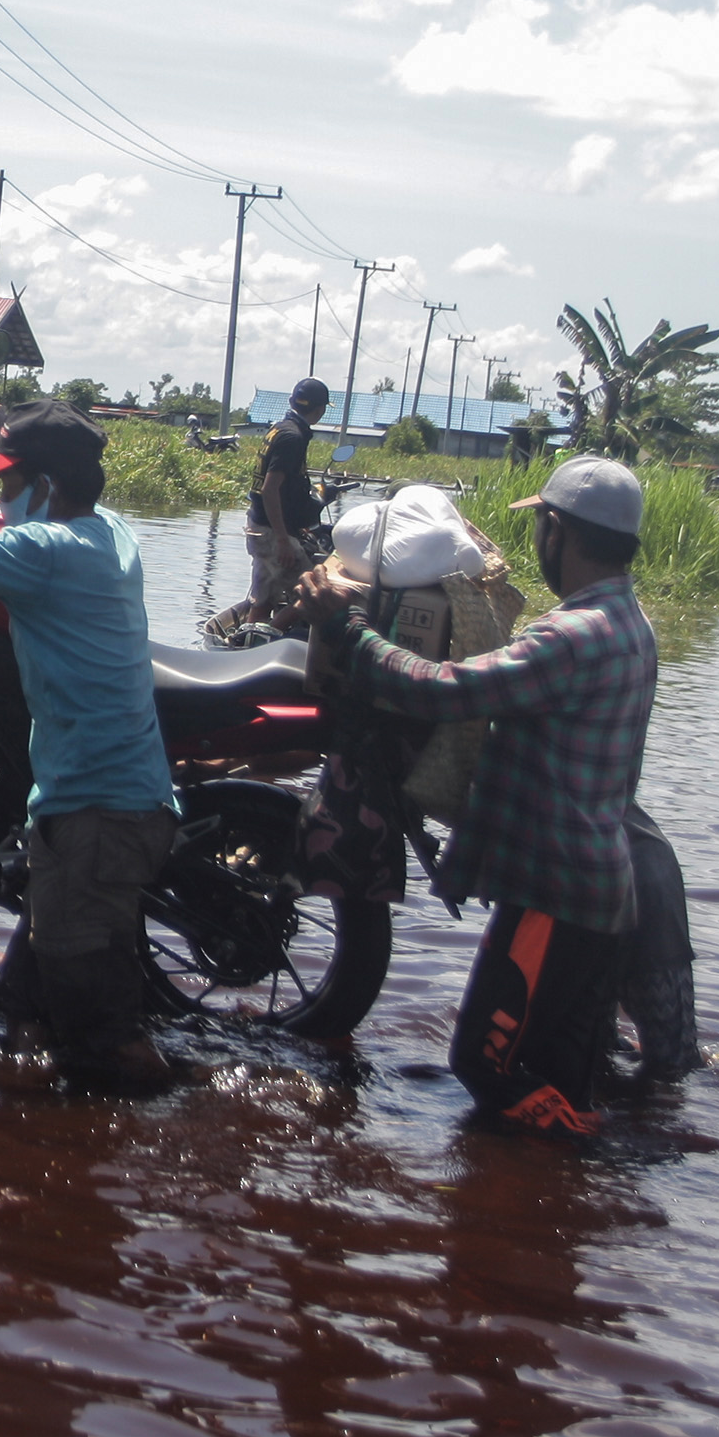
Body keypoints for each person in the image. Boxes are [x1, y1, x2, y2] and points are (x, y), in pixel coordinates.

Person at [293, 454, 659, 1138]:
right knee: (556, 1072)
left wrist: (351, 630)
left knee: (488, 1066)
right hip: (592, 889)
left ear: (558, 531)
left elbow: (444, 689)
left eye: (542, 527)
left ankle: (564, 1184)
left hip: (555, 895)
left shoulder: (573, 636)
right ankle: (564, 1214)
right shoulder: (627, 621)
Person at [0, 398, 185, 1096]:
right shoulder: (106, 530)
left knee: (99, 1034)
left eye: (9, 484)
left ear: (45, 488)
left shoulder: (47, 550)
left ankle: (168, 1130)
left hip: (98, 816)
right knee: (24, 1002)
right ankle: (33, 1124)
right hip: (94, 804)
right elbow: (56, 459)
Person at [247, 377, 334, 613]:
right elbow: (270, 489)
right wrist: (284, 539)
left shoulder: (279, 429)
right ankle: (287, 635)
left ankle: (245, 640)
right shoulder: (292, 438)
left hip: (258, 524)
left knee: (264, 597)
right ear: (320, 410)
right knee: (311, 594)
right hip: (273, 533)